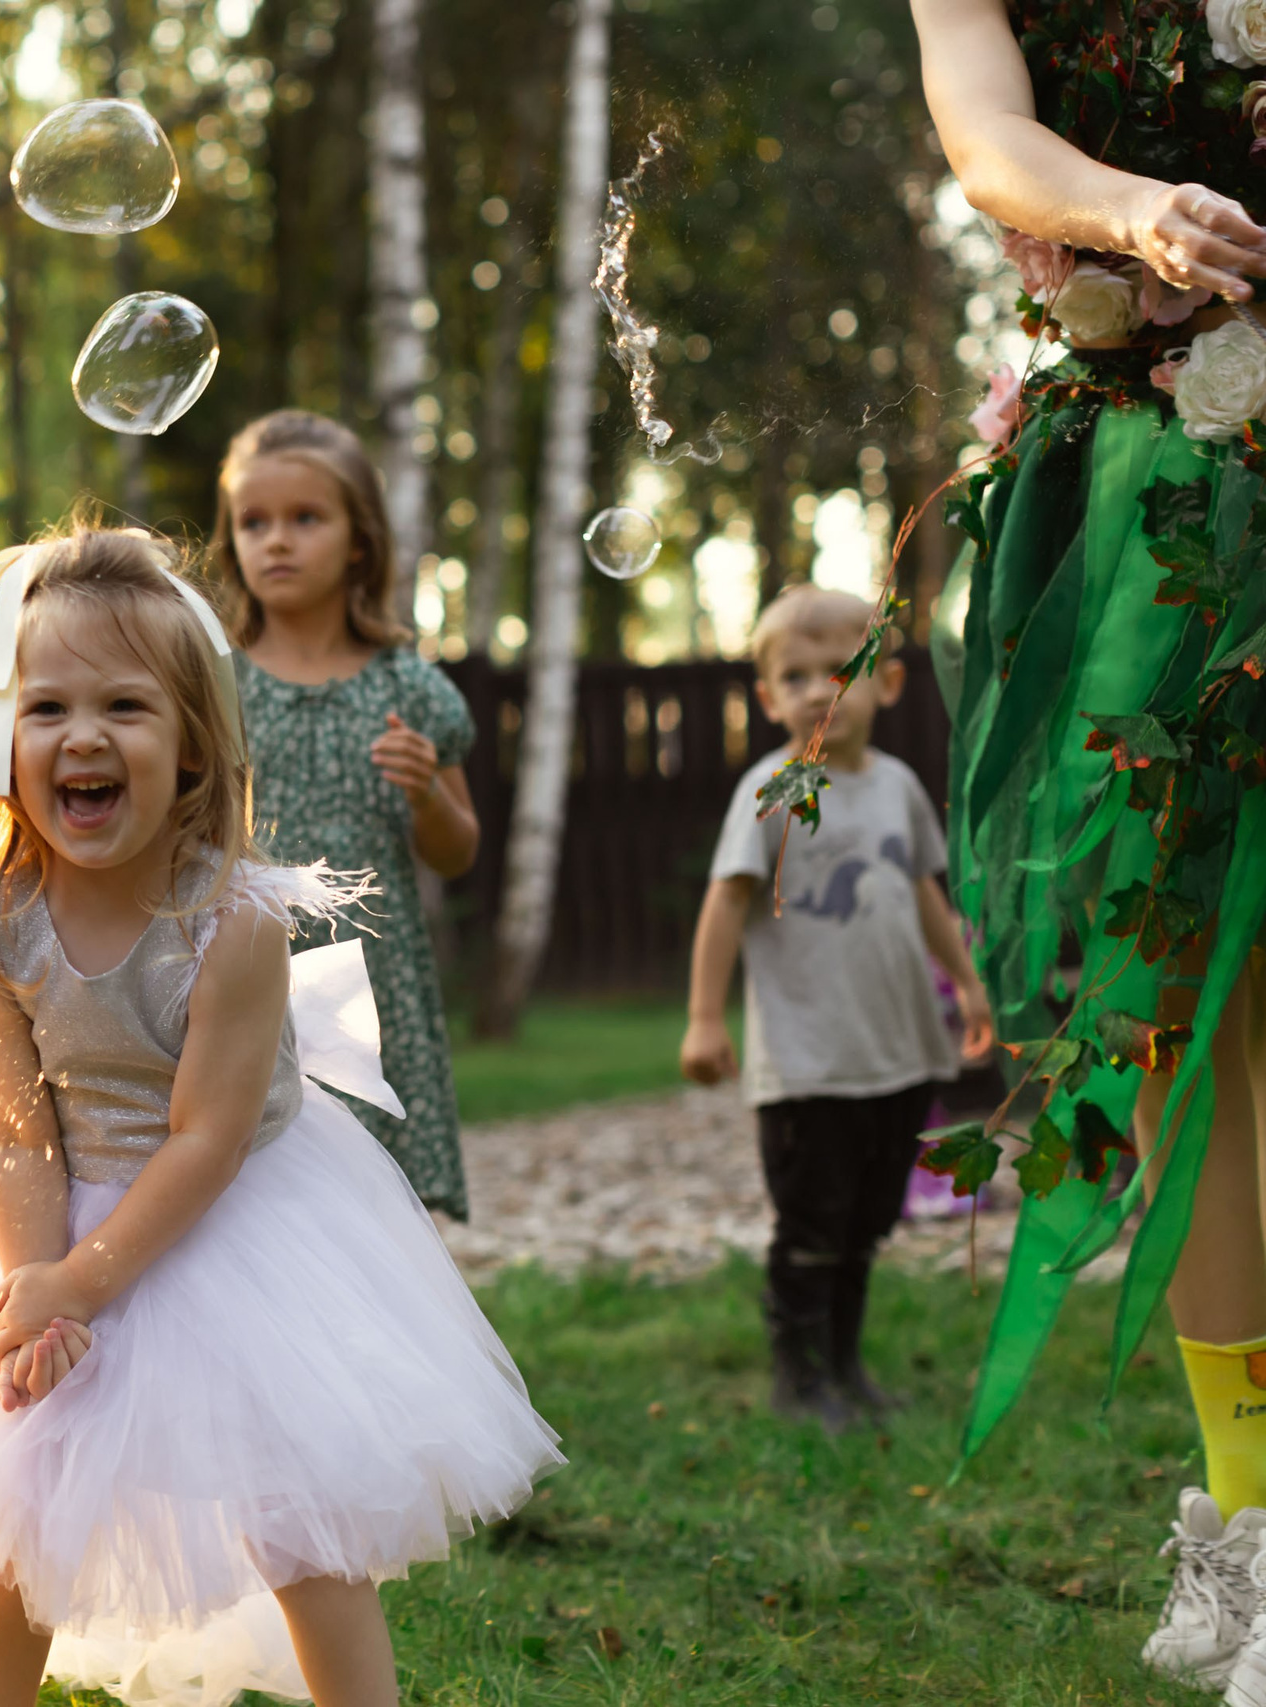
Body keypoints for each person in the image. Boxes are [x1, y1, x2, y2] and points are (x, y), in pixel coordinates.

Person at [0, 523, 560, 1707]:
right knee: (17, 1482)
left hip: (229, 1213)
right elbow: (13, 1127)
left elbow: (205, 1139)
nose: (81, 737)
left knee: (296, 1504)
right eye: (44, 708)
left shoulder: (231, 924)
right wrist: (32, 1293)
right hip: (47, 1203)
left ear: (193, 745)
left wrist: (89, 1282)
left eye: (125, 709)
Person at [912, 0, 1266, 1693]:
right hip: (1150, 502)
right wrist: (1126, 209)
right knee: (1182, 1016)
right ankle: (1249, 1523)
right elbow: (989, 138)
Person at [680, 586, 995, 1431]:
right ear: (769, 698)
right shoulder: (773, 788)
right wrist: (705, 1018)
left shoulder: (896, 786)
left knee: (865, 1222)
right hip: (810, 1061)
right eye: (797, 675)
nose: (821, 688)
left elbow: (926, 892)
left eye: (841, 670)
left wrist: (964, 980)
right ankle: (800, 1378)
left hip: (897, 1051)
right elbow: (723, 905)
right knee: (812, 1224)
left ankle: (846, 1369)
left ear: (888, 683)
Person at [210, 409, 482, 1216]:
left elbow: (458, 852)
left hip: (374, 985)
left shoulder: (407, 686)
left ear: (358, 539)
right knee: (256, 1199)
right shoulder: (213, 684)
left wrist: (427, 792)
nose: (277, 540)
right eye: (254, 522)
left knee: (372, 1211)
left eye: (305, 518)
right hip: (244, 977)